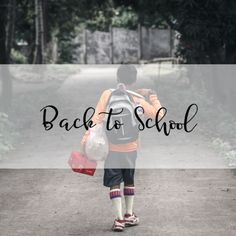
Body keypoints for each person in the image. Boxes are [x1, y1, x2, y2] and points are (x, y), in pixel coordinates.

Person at [81, 65, 163, 232]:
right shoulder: (137, 99)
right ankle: (129, 215)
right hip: (131, 148)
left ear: (117, 77)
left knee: (114, 182)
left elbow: (95, 119)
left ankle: (118, 220)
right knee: (129, 180)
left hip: (111, 148)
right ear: (134, 80)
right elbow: (158, 115)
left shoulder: (107, 94)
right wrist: (152, 96)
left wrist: (85, 140)